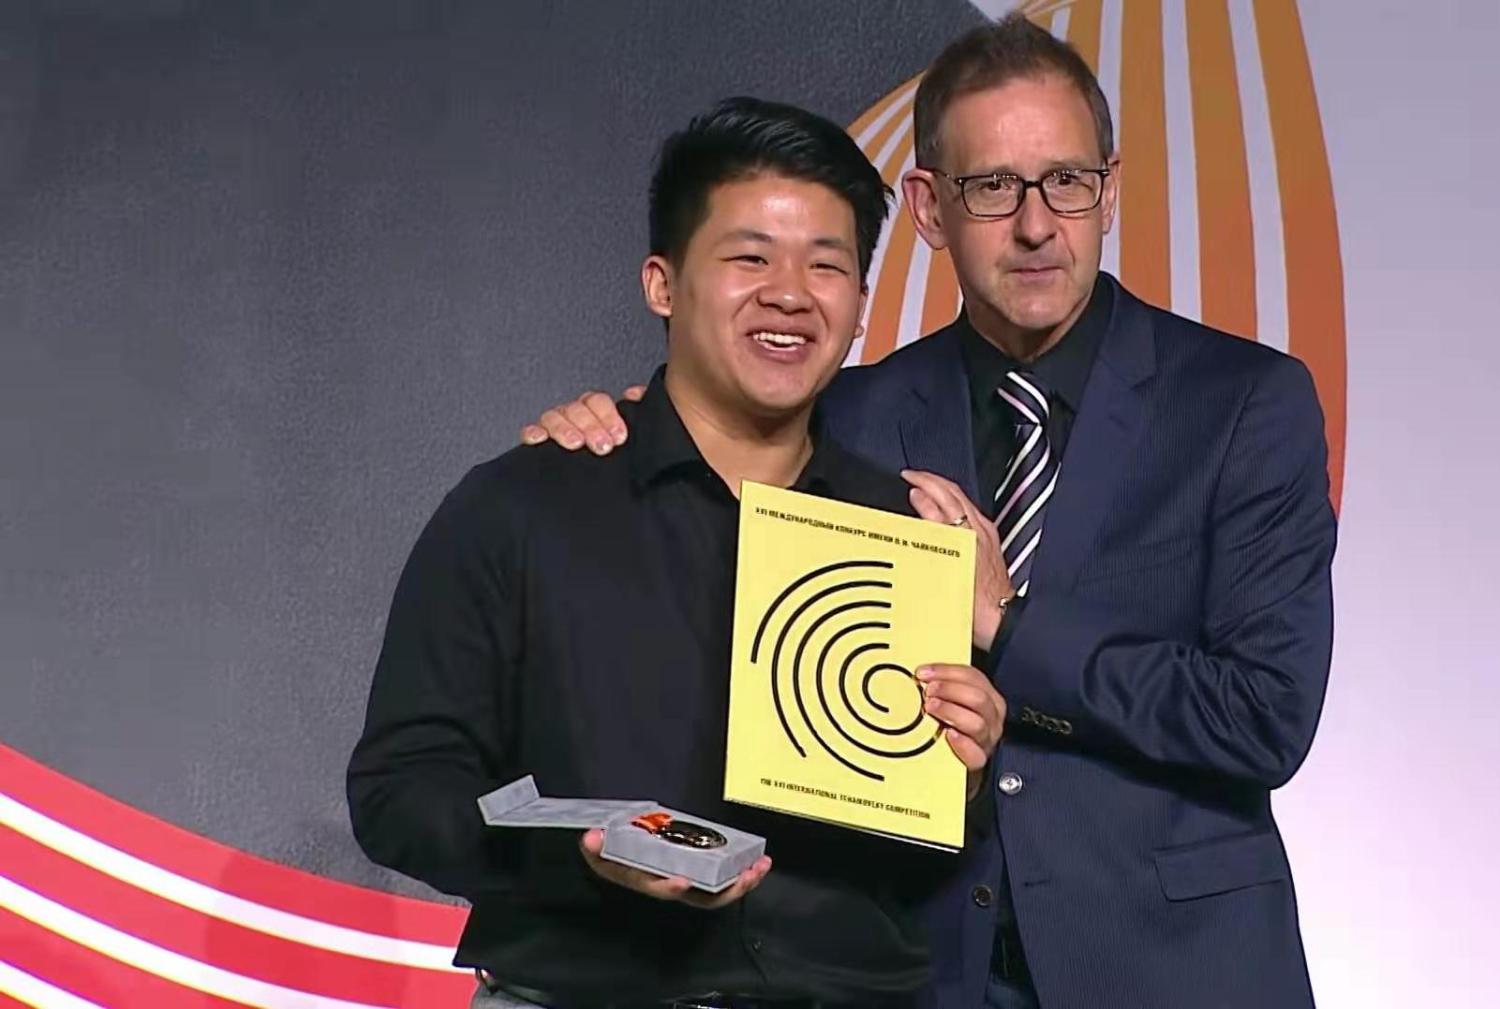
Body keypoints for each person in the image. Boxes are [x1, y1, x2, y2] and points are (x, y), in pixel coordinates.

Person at [521, 16, 1336, 1009]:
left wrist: (1005, 624)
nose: (1036, 225)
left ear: (1110, 192)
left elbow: (1263, 716)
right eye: (992, 186)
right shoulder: (845, 415)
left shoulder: (1244, 403)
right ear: (928, 207)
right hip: (912, 973)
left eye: (1067, 181)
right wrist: (610, 433)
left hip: (1175, 970)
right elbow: (697, 551)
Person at [347, 96, 1008, 1009]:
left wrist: (961, 776)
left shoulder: (905, 534)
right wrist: (577, 857)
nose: (790, 292)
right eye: (750, 257)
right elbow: (400, 789)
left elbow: (922, 858)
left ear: (860, 307)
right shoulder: (524, 505)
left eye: (827, 265)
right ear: (662, 284)